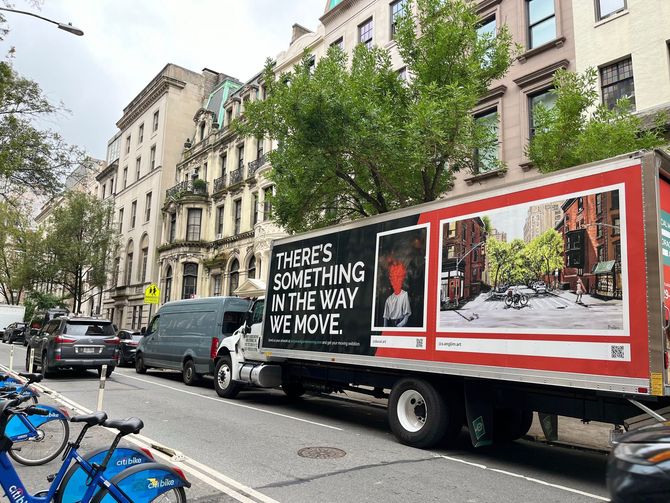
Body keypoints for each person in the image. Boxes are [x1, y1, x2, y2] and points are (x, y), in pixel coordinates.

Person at [383, 260, 411, 327]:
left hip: (401, 326)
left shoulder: (404, 295)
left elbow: (406, 318)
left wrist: (398, 327)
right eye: (394, 278)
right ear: (391, 280)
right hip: (392, 326)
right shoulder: (389, 299)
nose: (396, 281)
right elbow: (385, 320)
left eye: (398, 278)